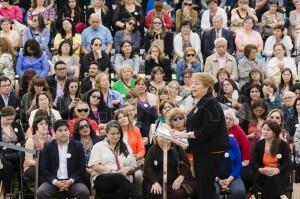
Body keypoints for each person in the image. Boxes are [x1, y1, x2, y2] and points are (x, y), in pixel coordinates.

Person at [171, 72, 229, 199]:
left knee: (206, 187)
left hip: (210, 153)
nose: (193, 86)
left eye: (196, 83)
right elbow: (198, 128)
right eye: (192, 83)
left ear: (206, 87)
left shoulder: (211, 103)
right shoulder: (202, 102)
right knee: (203, 186)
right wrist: (183, 136)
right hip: (202, 152)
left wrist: (185, 135)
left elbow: (208, 130)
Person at [88, 120, 142, 199]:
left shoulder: (125, 146)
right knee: (118, 177)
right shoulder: (98, 146)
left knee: (120, 191)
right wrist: (112, 171)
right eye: (112, 134)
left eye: (118, 133)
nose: (116, 136)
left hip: (123, 179)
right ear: (107, 134)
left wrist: (128, 168)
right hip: (102, 178)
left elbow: (133, 165)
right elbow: (95, 166)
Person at [37, 120, 90, 199]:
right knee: (42, 192)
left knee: (83, 191)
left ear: (69, 132)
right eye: (60, 130)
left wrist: (70, 181)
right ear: (55, 133)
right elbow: (44, 169)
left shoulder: (77, 146)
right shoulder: (48, 147)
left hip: (73, 182)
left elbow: (81, 169)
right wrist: (55, 182)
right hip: (53, 182)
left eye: (66, 130)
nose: (63, 133)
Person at [251, 120, 291, 199]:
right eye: (264, 129)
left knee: (272, 178)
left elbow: (287, 163)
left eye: (268, 130)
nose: (265, 132)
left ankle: (281, 194)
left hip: (279, 174)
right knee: (269, 177)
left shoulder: (283, 145)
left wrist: (277, 170)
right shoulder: (259, 145)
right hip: (263, 174)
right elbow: (254, 163)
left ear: (274, 132)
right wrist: (261, 169)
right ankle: (282, 195)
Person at [0, 106, 25, 196]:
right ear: (2, 116)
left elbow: (22, 139)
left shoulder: (16, 125)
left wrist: (19, 144)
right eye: (8, 119)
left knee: (21, 165)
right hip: (3, 154)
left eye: (12, 119)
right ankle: (7, 193)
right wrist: (5, 146)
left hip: (17, 152)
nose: (10, 121)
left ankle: (21, 191)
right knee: (8, 167)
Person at [72, 118, 102, 190]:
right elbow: (73, 162)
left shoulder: (98, 140)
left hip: (98, 168)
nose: (85, 128)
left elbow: (103, 157)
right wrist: (87, 169)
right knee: (85, 175)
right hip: (81, 170)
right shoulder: (73, 142)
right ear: (77, 130)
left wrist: (97, 169)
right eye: (81, 127)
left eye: (86, 126)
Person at [215, 134, 246, 199]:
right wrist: (218, 180)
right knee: (214, 192)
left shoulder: (231, 140)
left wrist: (230, 179)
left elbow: (238, 164)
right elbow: (205, 168)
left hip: (232, 176)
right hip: (213, 177)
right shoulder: (208, 143)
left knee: (239, 191)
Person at [24, 115, 52, 182]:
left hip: (46, 166)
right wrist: (43, 164)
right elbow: (28, 160)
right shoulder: (30, 140)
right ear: (36, 127)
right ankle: (43, 192)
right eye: (41, 124)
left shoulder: (49, 138)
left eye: (46, 124)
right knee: (44, 175)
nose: (44, 126)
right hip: (32, 167)